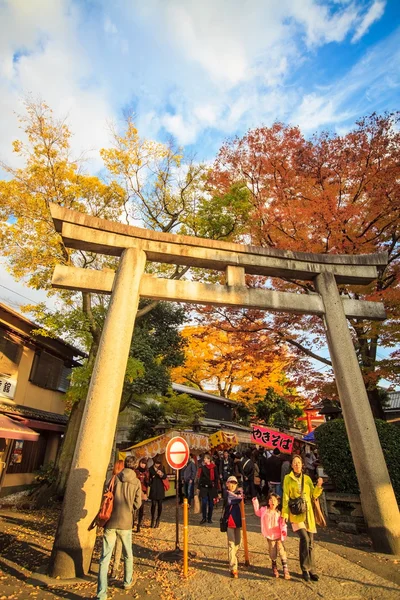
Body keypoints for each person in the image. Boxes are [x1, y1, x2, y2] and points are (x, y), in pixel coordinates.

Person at [96, 455, 141, 600]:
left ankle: (101, 593)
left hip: (111, 521)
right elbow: (137, 503)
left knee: (105, 557)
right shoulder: (136, 482)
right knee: (128, 554)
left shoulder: (113, 479)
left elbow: (105, 494)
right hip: (126, 522)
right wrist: (130, 509)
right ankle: (127, 581)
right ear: (135, 466)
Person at [282, 455, 324, 582]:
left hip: (308, 513)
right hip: (296, 513)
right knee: (304, 539)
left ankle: (312, 570)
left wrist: (318, 486)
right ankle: (305, 568)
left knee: (311, 543)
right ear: (292, 465)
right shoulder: (287, 478)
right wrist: (284, 514)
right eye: (295, 463)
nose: (297, 465)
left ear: (302, 465)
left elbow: (314, 495)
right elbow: (285, 496)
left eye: (299, 463)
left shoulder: (307, 479)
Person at [252, 492, 290, 579]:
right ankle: (274, 565)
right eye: (270, 500)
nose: (272, 502)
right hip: (270, 535)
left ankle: (285, 568)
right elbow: (257, 512)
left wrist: (284, 531)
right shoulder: (264, 510)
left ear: (278, 502)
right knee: (272, 551)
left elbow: (283, 523)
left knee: (281, 550)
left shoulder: (280, 512)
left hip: (279, 534)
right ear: (268, 501)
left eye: (274, 500)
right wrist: (255, 501)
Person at [222, 475, 243, 578]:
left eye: (234, 483)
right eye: (231, 483)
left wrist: (240, 494)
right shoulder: (226, 494)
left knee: (238, 542)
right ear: (227, 484)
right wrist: (240, 495)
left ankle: (233, 558)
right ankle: (233, 567)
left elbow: (240, 498)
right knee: (231, 543)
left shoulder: (238, 493)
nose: (233, 485)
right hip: (229, 521)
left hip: (238, 522)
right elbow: (235, 499)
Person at [196, 453, 219, 524]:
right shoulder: (203, 468)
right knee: (204, 503)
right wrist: (198, 487)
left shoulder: (214, 467)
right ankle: (204, 517)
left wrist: (216, 488)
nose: (204, 459)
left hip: (211, 488)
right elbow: (201, 478)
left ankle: (209, 518)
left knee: (211, 504)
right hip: (204, 487)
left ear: (209, 459)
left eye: (205, 458)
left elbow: (216, 478)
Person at [148, 456, 167, 528]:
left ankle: (158, 519)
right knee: (153, 504)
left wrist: (161, 474)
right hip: (153, 488)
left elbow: (165, 476)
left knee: (160, 504)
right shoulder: (150, 469)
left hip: (160, 488)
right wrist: (151, 479)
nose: (157, 465)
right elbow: (148, 479)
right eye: (156, 463)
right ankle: (152, 519)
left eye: (159, 464)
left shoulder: (162, 468)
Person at [134, 458, 150, 532]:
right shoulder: (135, 471)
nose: (142, 465)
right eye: (141, 463)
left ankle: (139, 525)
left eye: (144, 463)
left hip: (143, 492)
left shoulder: (147, 472)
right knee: (134, 508)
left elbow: (148, 483)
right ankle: (133, 521)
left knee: (141, 508)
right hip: (135, 491)